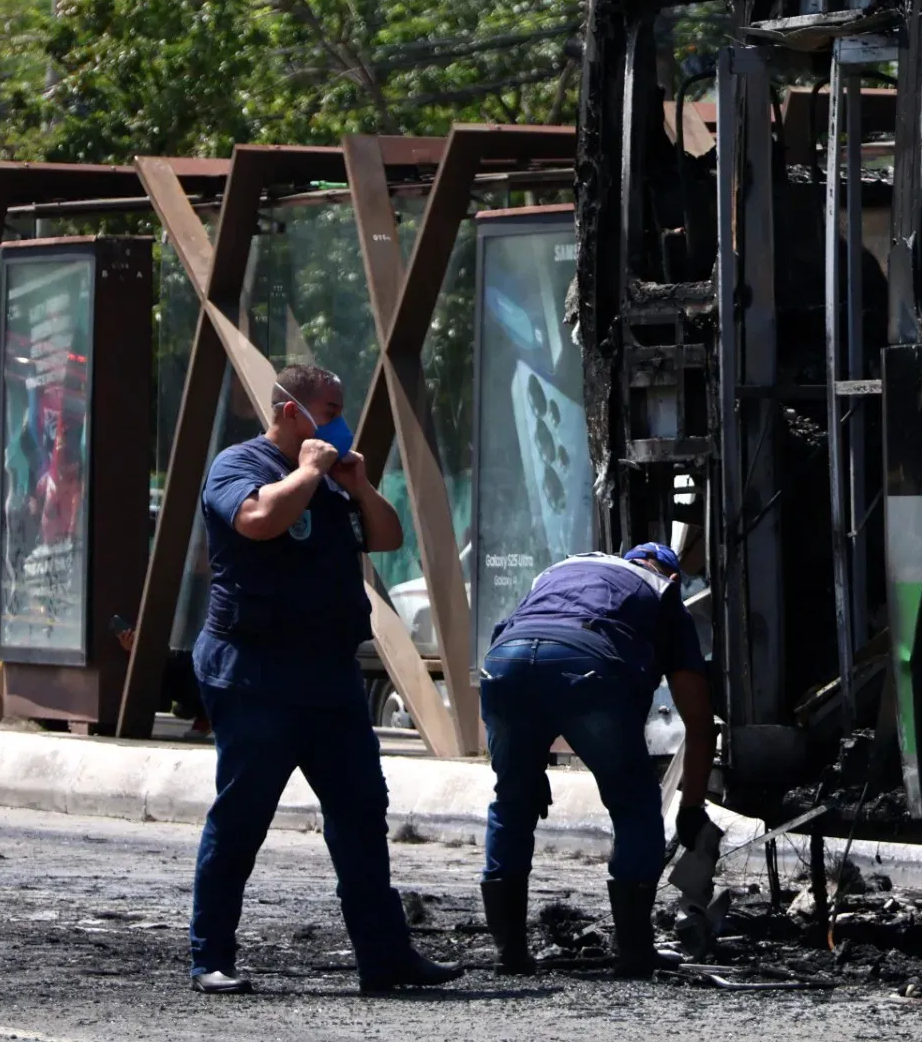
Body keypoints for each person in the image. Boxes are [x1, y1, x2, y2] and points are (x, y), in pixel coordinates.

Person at [187, 364, 461, 995]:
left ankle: (386, 958)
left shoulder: (337, 482)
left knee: (362, 812)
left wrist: (358, 485)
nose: (342, 420)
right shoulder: (240, 465)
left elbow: (386, 537)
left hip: (329, 674)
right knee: (244, 814)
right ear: (291, 413)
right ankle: (212, 958)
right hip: (255, 671)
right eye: (331, 407)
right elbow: (258, 521)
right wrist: (307, 472)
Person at [477, 543, 715, 978]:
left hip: (503, 663)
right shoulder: (663, 591)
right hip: (586, 665)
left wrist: (528, 763)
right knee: (635, 803)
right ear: (675, 578)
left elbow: (520, 641)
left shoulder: (560, 572)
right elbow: (699, 723)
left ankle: (509, 952)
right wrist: (692, 810)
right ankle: (635, 951)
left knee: (512, 803)